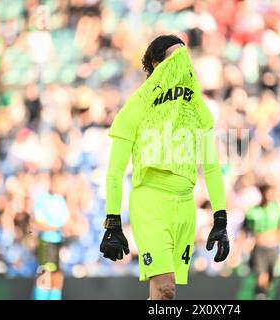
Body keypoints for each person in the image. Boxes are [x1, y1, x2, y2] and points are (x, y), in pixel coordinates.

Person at [99, 35, 229, 300]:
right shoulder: (136, 107)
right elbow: (114, 171)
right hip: (151, 202)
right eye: (175, 57)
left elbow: (212, 168)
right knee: (165, 287)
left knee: (165, 295)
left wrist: (221, 218)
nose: (183, 63)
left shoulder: (198, 111)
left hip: (185, 204)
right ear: (156, 64)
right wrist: (112, 221)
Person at [32, 172, 70, 300]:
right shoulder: (42, 199)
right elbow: (39, 223)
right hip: (47, 242)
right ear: (51, 182)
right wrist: (58, 227)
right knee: (44, 276)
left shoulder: (60, 201)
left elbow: (67, 223)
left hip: (60, 242)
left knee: (57, 276)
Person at [243, 184, 280, 300]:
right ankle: (260, 296)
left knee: (271, 277)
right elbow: (247, 230)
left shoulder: (277, 209)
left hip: (273, 247)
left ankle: (263, 295)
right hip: (260, 247)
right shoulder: (254, 211)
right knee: (262, 276)